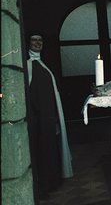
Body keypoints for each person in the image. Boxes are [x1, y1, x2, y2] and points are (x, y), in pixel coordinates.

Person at [27, 33, 73, 199]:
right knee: (42, 150)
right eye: (34, 40)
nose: (38, 43)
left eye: (40, 40)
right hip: (38, 119)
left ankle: (53, 181)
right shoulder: (28, 65)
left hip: (49, 117)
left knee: (51, 148)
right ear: (28, 42)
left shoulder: (43, 63)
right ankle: (44, 185)